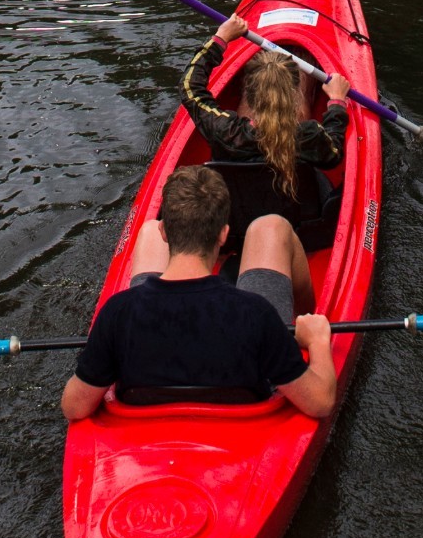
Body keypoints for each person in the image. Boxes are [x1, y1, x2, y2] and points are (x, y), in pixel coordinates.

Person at [61, 166, 337, 422]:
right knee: (270, 227)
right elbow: (320, 402)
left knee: (144, 231)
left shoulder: (117, 313)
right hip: (240, 420)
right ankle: (304, 321)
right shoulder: (256, 314)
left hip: (145, 420)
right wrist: (317, 341)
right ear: (223, 235)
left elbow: (74, 407)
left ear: (165, 231)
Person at [180, 15, 349, 221]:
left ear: (247, 92)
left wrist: (221, 37)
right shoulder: (309, 135)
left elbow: (190, 89)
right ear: (294, 95)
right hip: (297, 223)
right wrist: (337, 103)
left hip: (238, 220)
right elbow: (334, 153)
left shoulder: (226, 131)